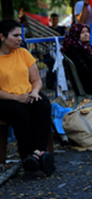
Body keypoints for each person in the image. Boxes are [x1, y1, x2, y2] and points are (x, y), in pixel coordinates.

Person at [0, 19, 56, 176]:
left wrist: (35, 91)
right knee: (20, 112)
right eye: (16, 35)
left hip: (28, 94)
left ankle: (37, 154)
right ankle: (28, 157)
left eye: (21, 35)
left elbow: (36, 80)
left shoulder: (23, 53)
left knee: (43, 104)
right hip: (5, 99)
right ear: (2, 36)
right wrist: (16, 98)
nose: (20, 39)